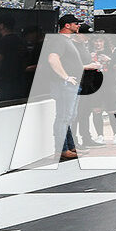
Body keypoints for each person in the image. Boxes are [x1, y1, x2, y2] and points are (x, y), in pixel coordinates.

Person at [42, 14, 87, 160]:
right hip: (64, 84)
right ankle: (62, 149)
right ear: (67, 25)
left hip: (69, 84)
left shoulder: (67, 41)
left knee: (68, 116)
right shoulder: (60, 40)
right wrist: (66, 77)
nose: (78, 25)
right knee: (64, 116)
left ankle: (69, 146)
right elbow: (52, 58)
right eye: (76, 23)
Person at [0, 15, 26, 102]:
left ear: (1, 26)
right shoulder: (20, 40)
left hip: (4, 83)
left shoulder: (3, 41)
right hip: (19, 82)